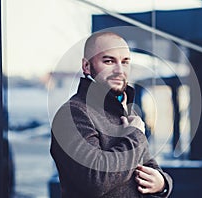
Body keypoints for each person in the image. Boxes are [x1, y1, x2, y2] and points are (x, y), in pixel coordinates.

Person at [50, 32, 173, 197]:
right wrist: (135, 135)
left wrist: (162, 183)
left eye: (125, 62)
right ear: (86, 66)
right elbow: (96, 180)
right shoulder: (72, 114)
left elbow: (147, 165)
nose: (119, 70)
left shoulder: (126, 111)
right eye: (109, 61)